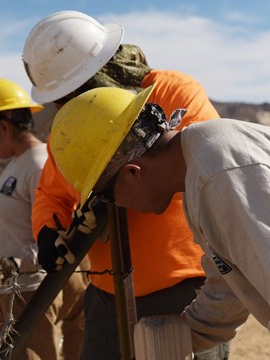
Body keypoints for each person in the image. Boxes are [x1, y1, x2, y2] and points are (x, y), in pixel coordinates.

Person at [49, 85, 270, 359]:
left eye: (107, 196)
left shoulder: (221, 176)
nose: (115, 207)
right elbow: (231, 286)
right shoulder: (204, 163)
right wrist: (180, 336)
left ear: (132, 171)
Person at [22, 10, 228, 359]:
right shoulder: (70, 127)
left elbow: (205, 172)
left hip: (186, 290)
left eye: (73, 96)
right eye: (61, 101)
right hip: (107, 295)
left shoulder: (175, 93)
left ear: (99, 74)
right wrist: (48, 231)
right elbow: (52, 194)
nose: (67, 109)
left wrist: (107, 191)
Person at [0, 78, 86, 360]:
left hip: (26, 294)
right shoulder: (18, 163)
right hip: (10, 292)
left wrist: (9, 266)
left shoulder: (38, 164)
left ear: (4, 127)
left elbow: (60, 236)